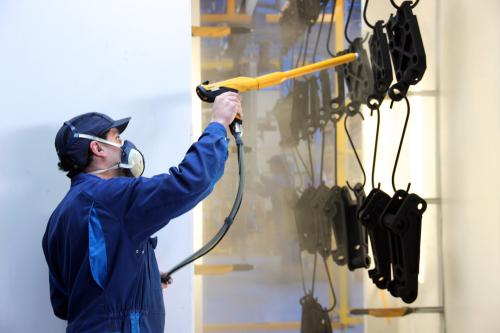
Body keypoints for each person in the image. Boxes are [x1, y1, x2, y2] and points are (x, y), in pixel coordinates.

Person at [42, 92, 242, 333]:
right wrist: (218, 124)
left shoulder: (59, 217)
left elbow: (64, 303)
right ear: (97, 148)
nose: (125, 145)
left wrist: (139, 279)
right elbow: (192, 181)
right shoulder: (113, 197)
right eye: (117, 138)